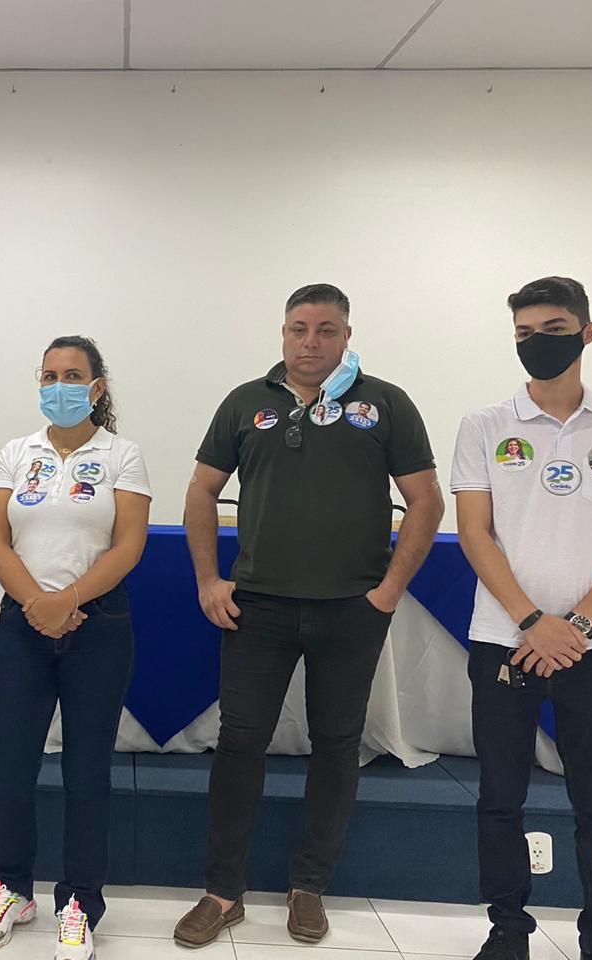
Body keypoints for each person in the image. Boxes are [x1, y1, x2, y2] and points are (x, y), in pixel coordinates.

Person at [173, 284, 444, 948]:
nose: (311, 341)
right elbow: (202, 490)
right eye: (299, 328)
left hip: (352, 610)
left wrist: (388, 592)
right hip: (257, 609)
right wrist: (208, 579)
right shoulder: (245, 402)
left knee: (337, 746)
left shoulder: (385, 403)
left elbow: (427, 502)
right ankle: (222, 891)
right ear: (283, 334)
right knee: (239, 745)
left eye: (327, 329)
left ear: (347, 335)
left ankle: (309, 887)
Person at [451, 277, 592, 960]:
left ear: (587, 333)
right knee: (499, 797)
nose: (537, 343)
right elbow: (476, 532)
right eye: (524, 333)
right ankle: (507, 929)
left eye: (554, 329)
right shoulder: (485, 425)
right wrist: (533, 621)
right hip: (503, 639)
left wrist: (579, 626)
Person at [0, 336, 151, 960]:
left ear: (97, 388)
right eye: (48, 375)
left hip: (98, 626)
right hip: (23, 624)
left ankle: (79, 903)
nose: (58, 386)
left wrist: (67, 600)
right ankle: (10, 888)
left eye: (72, 375)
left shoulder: (122, 455)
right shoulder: (15, 453)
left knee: (86, 770)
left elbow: (129, 546)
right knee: (10, 764)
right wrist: (37, 605)